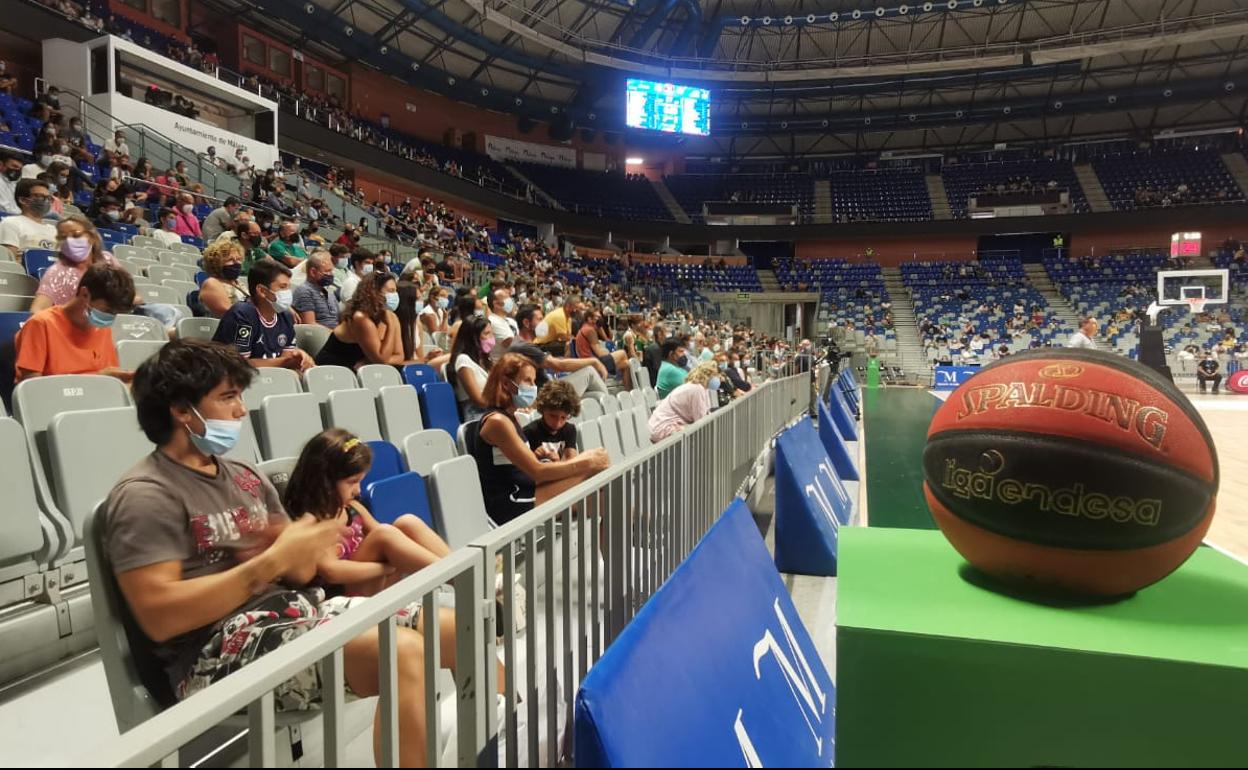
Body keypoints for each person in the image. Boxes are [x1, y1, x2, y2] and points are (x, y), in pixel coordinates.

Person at [99, 340, 443, 765]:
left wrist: (304, 546)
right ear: (182, 410)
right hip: (213, 655)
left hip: (293, 614)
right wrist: (269, 562)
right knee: (402, 650)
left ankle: (507, 718)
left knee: (452, 620)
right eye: (227, 398)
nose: (241, 410)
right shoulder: (145, 496)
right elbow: (159, 615)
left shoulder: (245, 477)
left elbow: (297, 575)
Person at [283, 428, 451, 593]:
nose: (358, 490)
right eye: (352, 482)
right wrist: (386, 567)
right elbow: (332, 572)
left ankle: (462, 570)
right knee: (383, 534)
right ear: (324, 480)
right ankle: (457, 577)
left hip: (375, 585)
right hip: (342, 599)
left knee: (407, 522)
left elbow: (393, 539)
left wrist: (395, 560)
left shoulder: (352, 508)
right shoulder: (311, 523)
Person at [468, 353, 610, 525]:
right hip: (511, 503)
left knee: (608, 499)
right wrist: (587, 462)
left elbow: (520, 467)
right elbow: (537, 472)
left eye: (534, 381)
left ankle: (640, 528)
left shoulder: (511, 418)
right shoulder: (497, 422)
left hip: (527, 490)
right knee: (597, 474)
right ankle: (644, 526)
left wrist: (548, 459)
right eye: (528, 380)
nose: (533, 387)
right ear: (506, 384)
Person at [15, 263, 135, 382]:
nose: (110, 318)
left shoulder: (103, 329)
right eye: (108, 311)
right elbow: (32, 390)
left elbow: (108, 380)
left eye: (115, 314)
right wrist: (98, 378)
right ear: (84, 294)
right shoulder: (41, 324)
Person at [212, 258, 313, 371]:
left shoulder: (286, 315)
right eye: (283, 287)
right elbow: (240, 364)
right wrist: (287, 361)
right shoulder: (242, 314)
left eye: (288, 287)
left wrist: (297, 357)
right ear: (262, 291)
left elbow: (286, 357)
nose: (288, 292)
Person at [30, 215, 122, 312]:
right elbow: (37, 309)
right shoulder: (56, 272)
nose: (69, 241)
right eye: (63, 237)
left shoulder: (107, 259)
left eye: (76, 235)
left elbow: (133, 296)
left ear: (92, 237)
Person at [314, 272, 407, 368]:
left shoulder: (391, 316)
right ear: (374, 292)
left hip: (360, 369)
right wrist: (391, 327)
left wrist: (369, 362)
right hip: (332, 369)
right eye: (390, 291)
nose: (395, 295)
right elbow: (381, 359)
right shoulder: (360, 317)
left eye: (395, 291)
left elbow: (399, 356)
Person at [648, 362, 720, 442]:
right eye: (715, 375)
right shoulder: (696, 389)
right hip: (663, 428)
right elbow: (700, 420)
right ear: (707, 375)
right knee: (698, 436)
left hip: (663, 426)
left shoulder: (700, 388)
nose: (718, 378)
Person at [449, 315, 494, 421]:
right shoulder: (463, 360)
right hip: (476, 415)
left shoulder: (486, 360)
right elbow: (480, 401)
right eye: (486, 334)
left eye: (491, 333)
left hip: (491, 411)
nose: (491, 338)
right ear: (473, 338)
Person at [574, 308, 632, 389]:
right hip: (593, 363)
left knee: (626, 364)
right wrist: (609, 353)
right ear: (589, 319)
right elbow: (600, 354)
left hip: (588, 361)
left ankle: (627, 390)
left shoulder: (584, 328)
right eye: (596, 317)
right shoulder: (590, 330)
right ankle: (626, 386)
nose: (599, 319)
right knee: (622, 353)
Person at [0, 178, 57, 261]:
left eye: (48, 198)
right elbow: (9, 263)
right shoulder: (11, 223)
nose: (45, 201)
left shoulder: (54, 230)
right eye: (39, 196)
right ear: (23, 200)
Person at [523, 380, 580, 462]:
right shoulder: (529, 432)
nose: (557, 423)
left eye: (563, 418)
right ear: (543, 409)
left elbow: (571, 461)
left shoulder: (570, 430)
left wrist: (557, 461)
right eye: (552, 416)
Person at [197, 240, 248, 318]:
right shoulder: (212, 283)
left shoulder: (239, 284)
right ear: (215, 264)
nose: (236, 263)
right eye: (230, 260)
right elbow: (229, 313)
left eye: (238, 259)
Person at [292, 251, 340, 328]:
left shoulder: (329, 292)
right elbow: (310, 326)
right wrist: (336, 335)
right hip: (320, 337)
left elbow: (338, 319)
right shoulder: (304, 291)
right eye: (327, 271)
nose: (331, 274)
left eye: (331, 271)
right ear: (313, 272)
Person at [0, 148, 23, 215]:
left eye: (20, 168)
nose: (17, 170)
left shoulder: (11, 182)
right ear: (1, 164)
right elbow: (4, 209)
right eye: (14, 166)